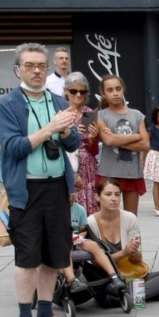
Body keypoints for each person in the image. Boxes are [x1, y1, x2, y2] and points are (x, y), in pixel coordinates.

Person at [0, 43, 82, 317]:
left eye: (41, 66)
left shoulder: (58, 101)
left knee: (54, 255)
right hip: (26, 189)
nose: (36, 71)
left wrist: (68, 132)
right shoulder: (8, 106)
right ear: (18, 69)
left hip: (57, 186)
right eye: (30, 65)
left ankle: (45, 315)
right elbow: (14, 147)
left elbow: (71, 146)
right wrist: (49, 130)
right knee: (27, 256)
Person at [87, 179, 159, 302]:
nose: (113, 198)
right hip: (110, 278)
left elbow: (137, 260)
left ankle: (125, 297)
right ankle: (147, 294)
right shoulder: (91, 223)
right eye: (108, 194)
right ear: (98, 197)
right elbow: (96, 263)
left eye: (117, 194)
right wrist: (123, 253)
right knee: (105, 297)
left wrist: (133, 251)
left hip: (133, 275)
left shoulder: (129, 218)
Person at [95, 76, 148, 216]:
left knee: (131, 219)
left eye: (118, 89)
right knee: (108, 218)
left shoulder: (137, 115)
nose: (115, 93)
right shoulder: (100, 115)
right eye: (110, 90)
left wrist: (117, 138)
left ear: (123, 89)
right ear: (103, 93)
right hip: (109, 173)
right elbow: (109, 141)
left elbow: (145, 144)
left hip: (132, 172)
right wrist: (135, 137)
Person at [62, 73, 98, 216]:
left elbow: (94, 151)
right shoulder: (61, 112)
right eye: (73, 91)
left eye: (82, 91)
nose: (78, 95)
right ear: (66, 91)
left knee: (89, 203)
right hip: (66, 162)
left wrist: (92, 138)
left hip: (87, 165)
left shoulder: (90, 114)